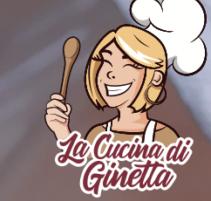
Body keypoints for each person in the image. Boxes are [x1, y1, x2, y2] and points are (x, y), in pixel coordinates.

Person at [45, 25, 179, 146]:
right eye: (106, 61)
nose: (110, 73)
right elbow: (81, 165)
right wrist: (61, 130)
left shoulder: (164, 137)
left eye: (128, 64)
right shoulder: (98, 134)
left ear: (156, 78)